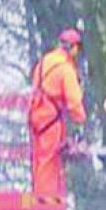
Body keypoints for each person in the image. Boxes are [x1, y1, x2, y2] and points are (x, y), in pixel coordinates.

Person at [28, 28, 87, 197]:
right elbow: (74, 102)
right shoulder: (66, 69)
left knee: (39, 157)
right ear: (73, 48)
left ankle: (39, 191)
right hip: (50, 120)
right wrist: (80, 121)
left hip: (36, 116)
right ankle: (45, 196)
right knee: (50, 159)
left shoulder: (44, 62)